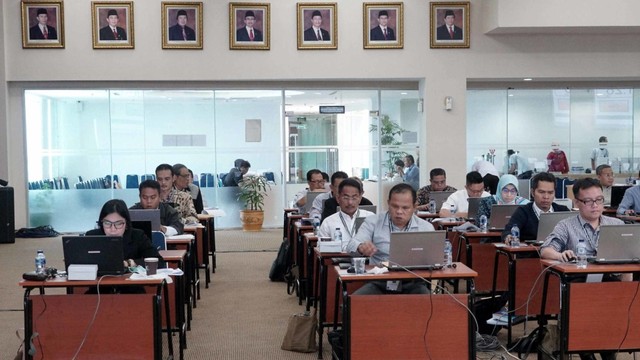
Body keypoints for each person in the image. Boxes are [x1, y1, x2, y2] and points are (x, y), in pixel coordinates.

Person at [540, 178, 622, 360]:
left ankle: (609, 352)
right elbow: (545, 250)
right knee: (583, 316)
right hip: (579, 285)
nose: (595, 205)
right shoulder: (566, 226)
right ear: (577, 202)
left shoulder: (616, 225)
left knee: (615, 313)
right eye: (588, 201)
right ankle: (586, 353)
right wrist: (559, 255)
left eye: (599, 200)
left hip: (610, 285)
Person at [345, 183, 435, 295]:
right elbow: (351, 245)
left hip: (413, 281)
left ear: (414, 206)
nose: (399, 211)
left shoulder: (425, 227)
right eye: (395, 206)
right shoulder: (373, 221)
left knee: (433, 306)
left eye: (405, 208)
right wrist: (360, 247)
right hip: (379, 281)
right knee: (353, 304)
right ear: (388, 203)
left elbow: (434, 259)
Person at [86, 199, 160, 269]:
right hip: (98, 281)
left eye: (118, 224)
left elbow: (159, 262)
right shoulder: (91, 237)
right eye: (107, 223)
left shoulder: (138, 236)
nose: (113, 229)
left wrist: (130, 263)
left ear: (126, 224)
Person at [502, 172, 571, 243]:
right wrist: (509, 236)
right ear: (532, 192)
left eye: (550, 193)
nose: (546, 197)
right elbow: (508, 231)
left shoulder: (563, 211)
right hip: (531, 252)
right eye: (541, 192)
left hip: (559, 252)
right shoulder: (523, 212)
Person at [318, 178, 375, 245]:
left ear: (360, 198)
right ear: (338, 198)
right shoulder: (328, 222)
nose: (350, 202)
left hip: (365, 255)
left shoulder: (370, 218)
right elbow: (321, 248)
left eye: (354, 198)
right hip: (337, 255)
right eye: (346, 198)